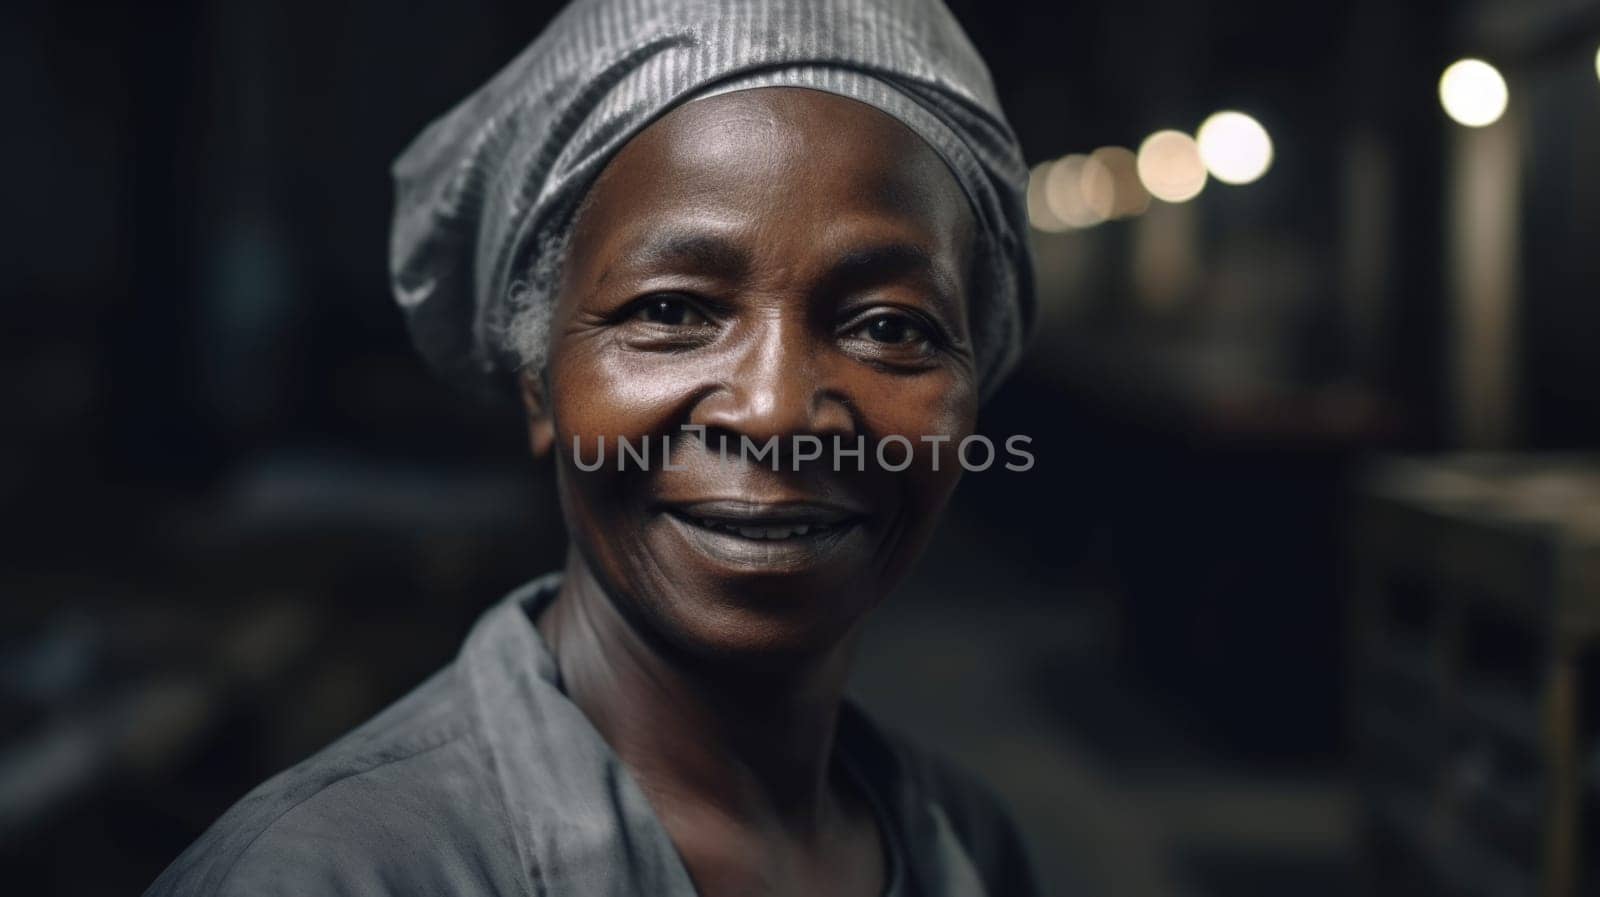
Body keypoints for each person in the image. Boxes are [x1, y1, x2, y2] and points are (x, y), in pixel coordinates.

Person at [146, 0, 1037, 894]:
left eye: (889, 325)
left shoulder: (972, 848)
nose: (772, 413)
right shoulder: (325, 878)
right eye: (670, 311)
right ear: (538, 383)